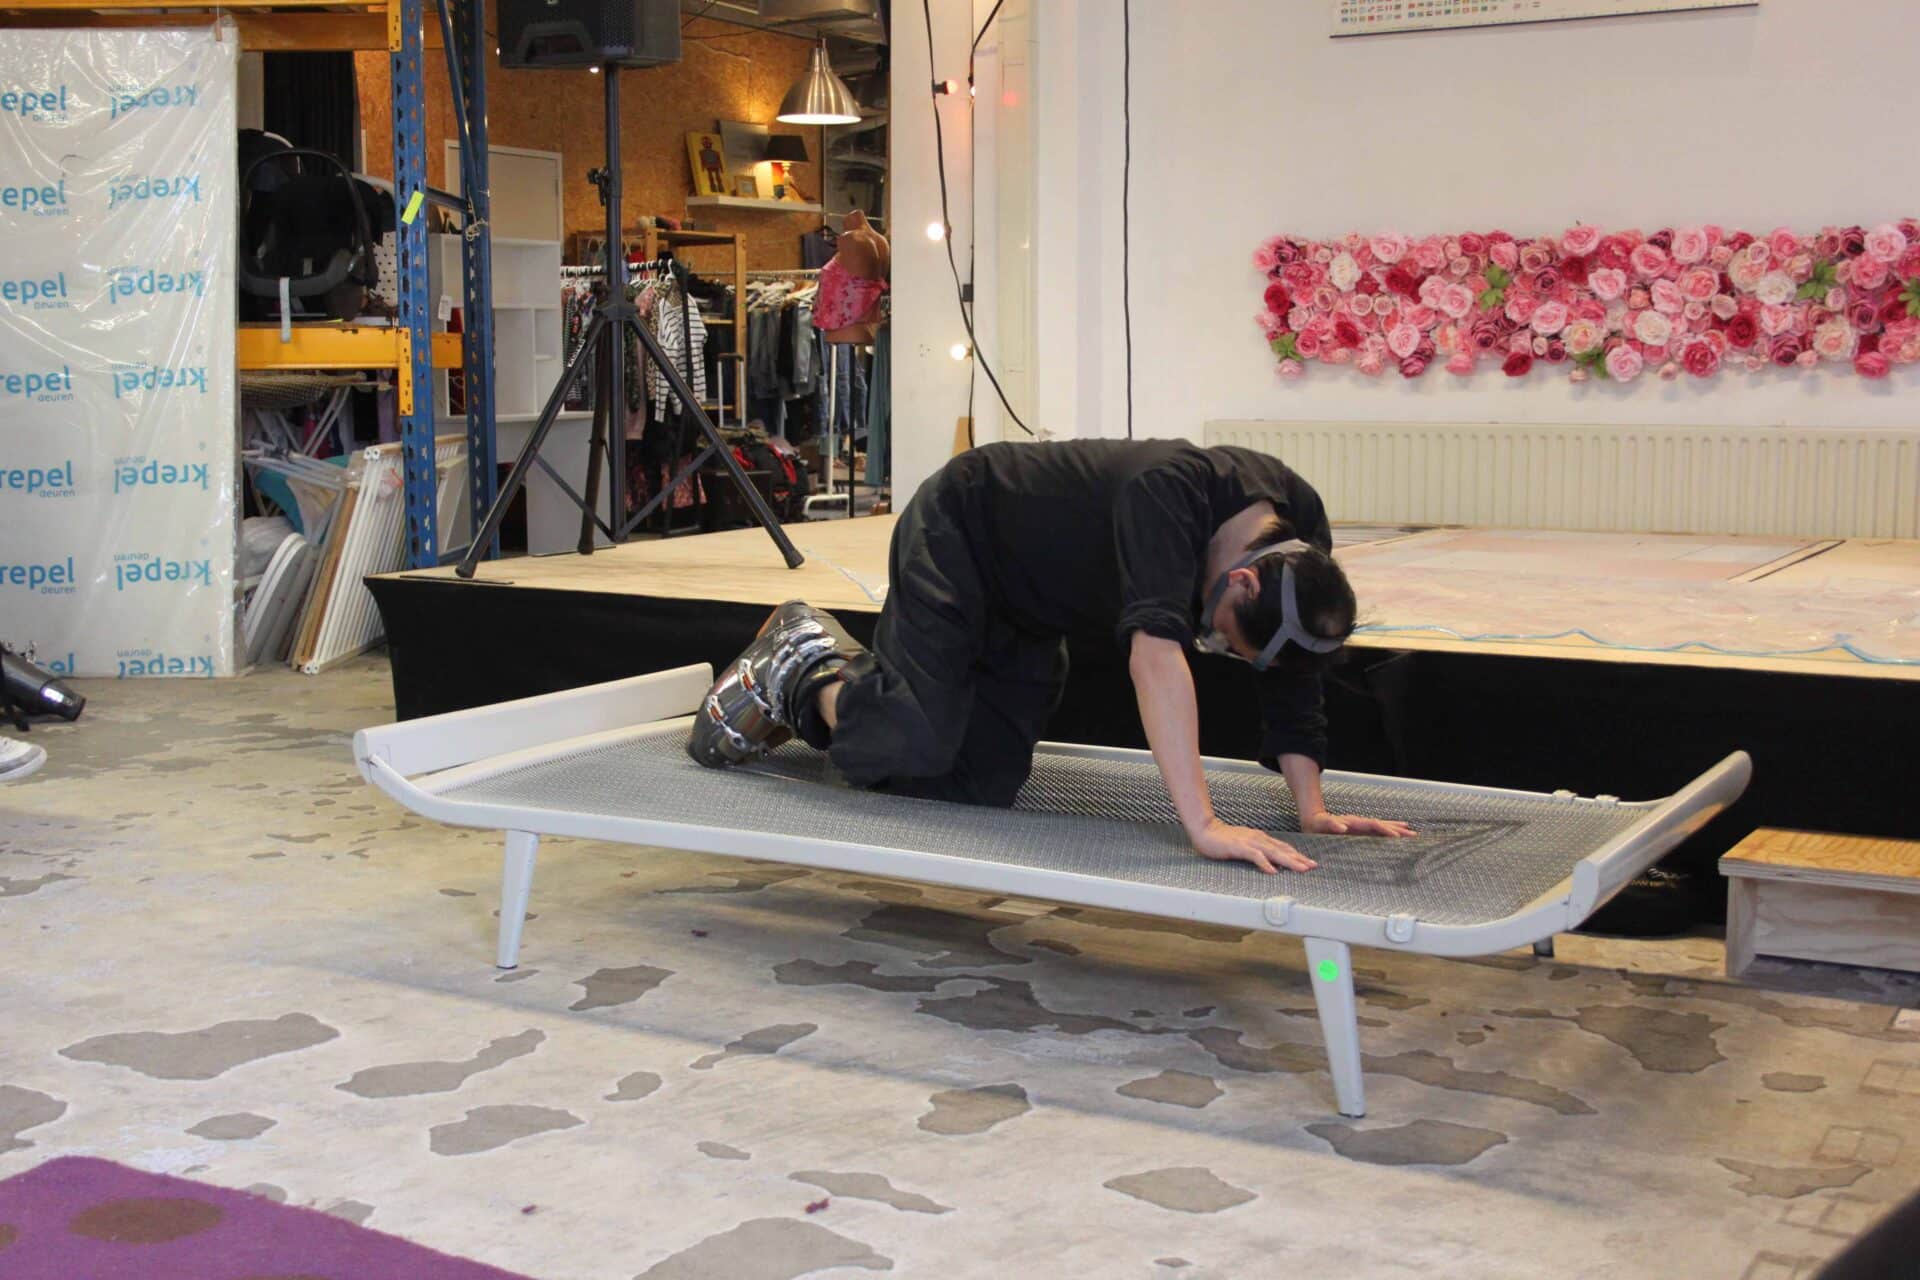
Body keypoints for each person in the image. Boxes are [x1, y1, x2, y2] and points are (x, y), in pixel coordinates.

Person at [688, 439, 1413, 874]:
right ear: (1244, 580)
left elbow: (1290, 677)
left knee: (972, 789)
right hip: (963, 531)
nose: (1215, 644)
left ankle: (856, 692)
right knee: (915, 736)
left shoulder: (1298, 535)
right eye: (1221, 635)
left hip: (1034, 606)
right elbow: (1156, 660)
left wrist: (1312, 809)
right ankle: (805, 663)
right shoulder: (1172, 496)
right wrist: (1204, 825)